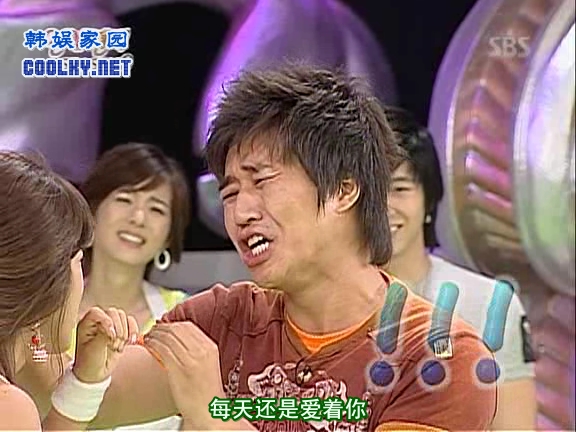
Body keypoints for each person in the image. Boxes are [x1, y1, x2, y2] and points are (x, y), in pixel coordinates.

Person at [31, 64, 497, 432]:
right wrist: (71, 355)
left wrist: (216, 415)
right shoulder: (221, 322)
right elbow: (87, 404)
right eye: (230, 191)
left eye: (262, 181)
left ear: (343, 190)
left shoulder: (437, 357)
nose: (240, 212)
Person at [383, 106, 537, 430]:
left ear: (428, 201)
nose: (384, 207)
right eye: (371, 191)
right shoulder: (321, 306)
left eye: (399, 189)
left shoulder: (489, 305)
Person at [0, 151, 138, 430]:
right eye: (78, 261)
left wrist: (86, 380)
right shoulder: (9, 406)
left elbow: (37, 349)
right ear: (50, 278)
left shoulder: (29, 355)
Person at [76, 143, 191, 430]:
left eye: (156, 209)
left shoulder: (187, 317)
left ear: (169, 236)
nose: (138, 218)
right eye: (125, 199)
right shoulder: (45, 312)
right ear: (92, 211)